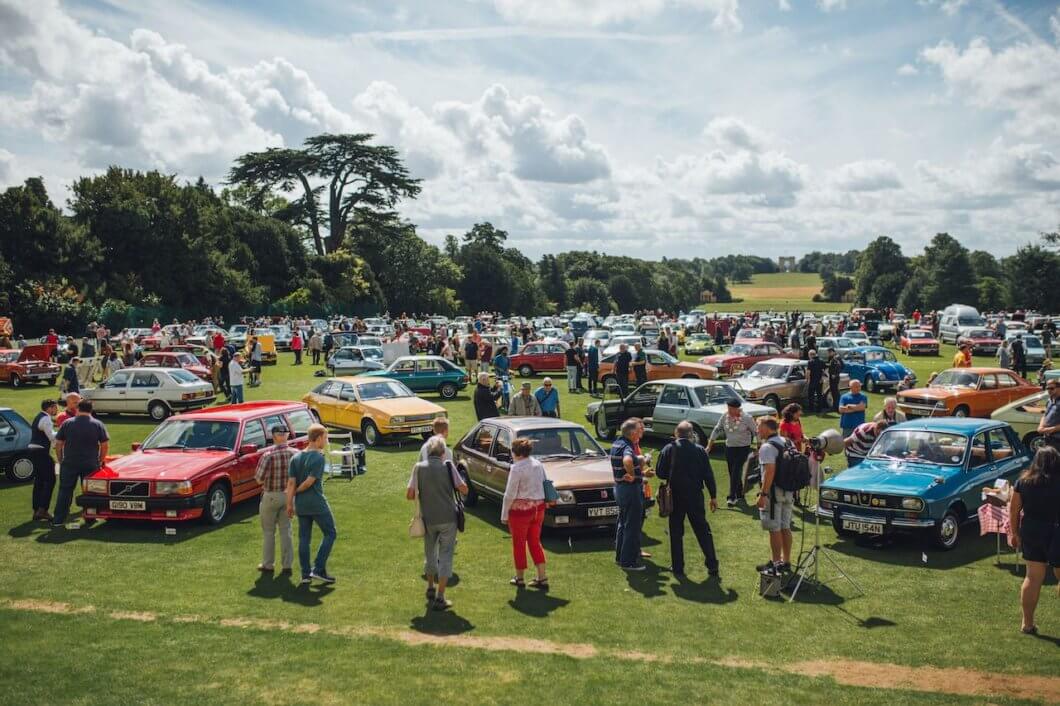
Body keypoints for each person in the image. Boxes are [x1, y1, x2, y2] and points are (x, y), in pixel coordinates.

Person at [407, 436, 467, 610]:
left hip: (428, 518)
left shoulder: (418, 468)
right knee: (446, 555)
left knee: (430, 553)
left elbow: (410, 495)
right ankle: (441, 596)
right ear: (442, 453)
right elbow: (464, 488)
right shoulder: (448, 466)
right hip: (448, 518)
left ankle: (430, 587)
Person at [656, 421, 719, 578]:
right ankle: (712, 565)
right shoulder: (699, 451)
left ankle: (678, 568)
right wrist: (713, 496)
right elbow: (708, 475)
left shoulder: (669, 449)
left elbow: (660, 473)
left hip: (675, 495)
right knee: (703, 530)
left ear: (676, 433)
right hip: (695, 495)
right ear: (692, 435)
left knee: (676, 532)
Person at [1007, 447, 1060, 635]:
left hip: (1031, 530)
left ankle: (1027, 624)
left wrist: (1014, 533)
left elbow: (1013, 510)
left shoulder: (1023, 481)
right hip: (1056, 529)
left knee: (1032, 577)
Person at [286, 424, 337, 586]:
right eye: (326, 438)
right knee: (330, 533)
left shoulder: (295, 458)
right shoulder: (319, 458)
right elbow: (308, 483)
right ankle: (319, 569)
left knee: (304, 539)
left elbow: (291, 483)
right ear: (318, 438)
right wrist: (296, 493)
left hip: (301, 505)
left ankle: (305, 575)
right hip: (316, 503)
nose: (326, 441)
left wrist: (290, 504)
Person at [501, 437, 549, 589]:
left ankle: (520, 578)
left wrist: (504, 514)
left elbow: (509, 494)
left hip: (521, 512)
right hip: (538, 509)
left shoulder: (517, 468)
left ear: (516, 453)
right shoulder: (538, 464)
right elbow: (545, 483)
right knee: (535, 542)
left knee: (519, 544)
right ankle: (542, 577)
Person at [52, 400, 109, 527]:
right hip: (90, 463)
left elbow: (59, 444)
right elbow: (104, 445)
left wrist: (60, 459)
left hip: (70, 462)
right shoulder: (97, 424)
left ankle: (59, 519)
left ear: (78, 409)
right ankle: (90, 518)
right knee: (90, 491)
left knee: (65, 490)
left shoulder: (67, 423)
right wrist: (100, 460)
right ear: (91, 410)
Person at [611, 418, 653, 570]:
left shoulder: (617, 443)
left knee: (623, 524)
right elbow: (628, 460)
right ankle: (628, 562)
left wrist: (638, 472)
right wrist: (635, 476)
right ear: (633, 432)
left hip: (620, 489)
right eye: (640, 431)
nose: (641, 433)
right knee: (632, 527)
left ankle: (620, 556)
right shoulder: (628, 447)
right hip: (630, 490)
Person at [255, 425, 296, 574]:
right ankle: (287, 565)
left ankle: (268, 564)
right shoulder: (295, 453)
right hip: (288, 495)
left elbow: (259, 479)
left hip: (271, 495)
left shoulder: (268, 455)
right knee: (286, 530)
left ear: (273, 436)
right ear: (286, 436)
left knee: (268, 532)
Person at [755, 417, 793, 576]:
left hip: (773, 493)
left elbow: (770, 471)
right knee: (785, 526)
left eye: (758, 427)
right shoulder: (787, 441)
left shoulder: (767, 447)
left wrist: (763, 494)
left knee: (774, 528)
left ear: (766, 427)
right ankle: (786, 561)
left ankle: (776, 563)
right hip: (788, 491)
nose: (757, 430)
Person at [706, 398, 757, 508]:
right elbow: (717, 429)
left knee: (736, 470)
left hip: (743, 448)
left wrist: (759, 447)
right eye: (728, 408)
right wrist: (709, 445)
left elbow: (756, 432)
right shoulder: (725, 416)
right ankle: (739, 493)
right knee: (732, 471)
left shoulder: (747, 418)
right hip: (730, 448)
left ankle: (731, 497)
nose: (728, 410)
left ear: (737, 408)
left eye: (731, 408)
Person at [30, 399, 59, 521]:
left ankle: (37, 510)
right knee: (50, 480)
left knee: (39, 481)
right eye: (55, 408)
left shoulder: (39, 416)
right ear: (49, 408)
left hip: (33, 450)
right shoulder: (46, 418)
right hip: (41, 451)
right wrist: (62, 433)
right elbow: (51, 436)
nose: (56, 410)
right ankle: (43, 510)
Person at [1039, 379, 1060, 452]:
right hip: (1047, 438)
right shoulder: (1049, 400)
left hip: (1057, 440)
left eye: (1051, 388)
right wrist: (1041, 427)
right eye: (1047, 388)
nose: (1049, 390)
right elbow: (1045, 414)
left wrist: (1049, 430)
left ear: (1058, 388)